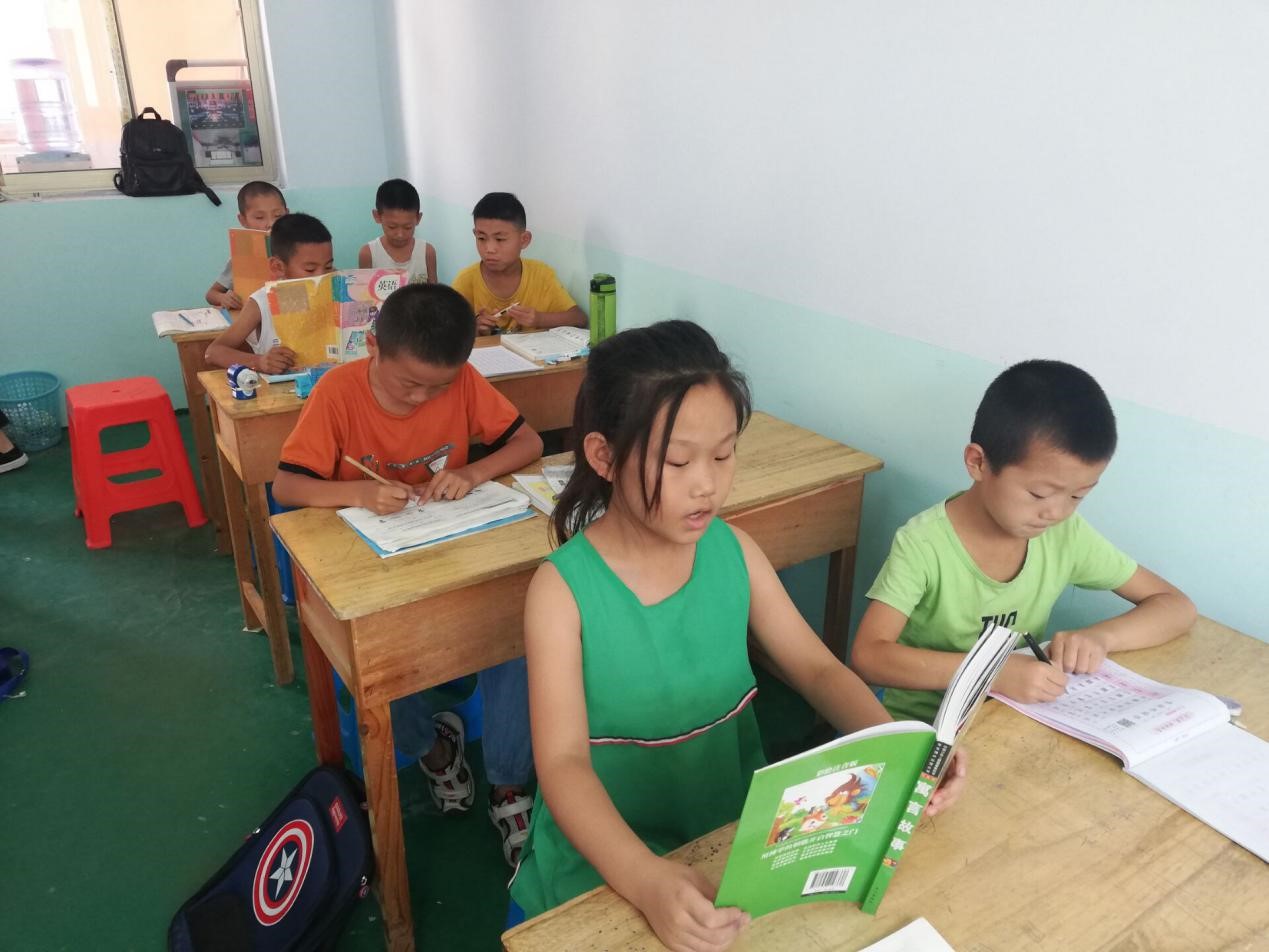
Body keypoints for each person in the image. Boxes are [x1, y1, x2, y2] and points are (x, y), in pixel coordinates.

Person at [510, 321, 965, 950]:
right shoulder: (562, 592)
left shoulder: (735, 551)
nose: (707, 483)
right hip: (611, 858)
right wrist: (644, 878)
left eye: (723, 455)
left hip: (733, 839)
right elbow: (563, 764)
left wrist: (904, 751)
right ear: (604, 456)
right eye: (678, 461)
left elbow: (818, 670)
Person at [271, 282, 544, 864]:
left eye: (438, 386)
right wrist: (359, 493)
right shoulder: (338, 392)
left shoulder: (463, 381)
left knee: (519, 631)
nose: (422, 397)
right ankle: (435, 750)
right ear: (372, 346)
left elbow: (528, 442)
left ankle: (508, 784)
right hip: (375, 564)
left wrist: (473, 473)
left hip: (455, 547)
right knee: (377, 665)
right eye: (408, 384)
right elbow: (287, 486)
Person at [851, 359, 1197, 724]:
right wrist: (989, 673)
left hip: (1005, 718)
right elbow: (869, 656)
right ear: (978, 462)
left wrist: (1101, 638)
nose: (1057, 512)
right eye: (1039, 494)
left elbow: (1176, 606)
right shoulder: (924, 544)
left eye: (1077, 496)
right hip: (922, 726)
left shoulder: (1065, 535)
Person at [204, 213, 334, 373]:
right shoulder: (262, 302)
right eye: (310, 269)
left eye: (328, 267)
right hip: (284, 388)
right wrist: (259, 362)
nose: (321, 277)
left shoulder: (337, 293)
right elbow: (213, 352)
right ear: (278, 267)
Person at [451, 192, 586, 335]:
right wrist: (474, 329)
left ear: (524, 240)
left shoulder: (540, 275)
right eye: (481, 238)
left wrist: (539, 319)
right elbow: (445, 334)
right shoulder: (466, 280)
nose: (489, 249)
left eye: (500, 239)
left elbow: (579, 318)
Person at [204, 181, 288, 310]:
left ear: (287, 215)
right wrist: (223, 298)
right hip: (250, 319)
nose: (271, 223)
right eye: (259, 217)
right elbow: (211, 294)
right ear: (243, 220)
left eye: (278, 215)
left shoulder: (297, 251)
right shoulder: (241, 258)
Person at [357, 178, 437, 284]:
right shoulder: (368, 254)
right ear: (377, 216)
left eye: (408, 227)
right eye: (392, 227)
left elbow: (435, 291)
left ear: (418, 218)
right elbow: (365, 292)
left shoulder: (427, 252)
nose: (400, 235)